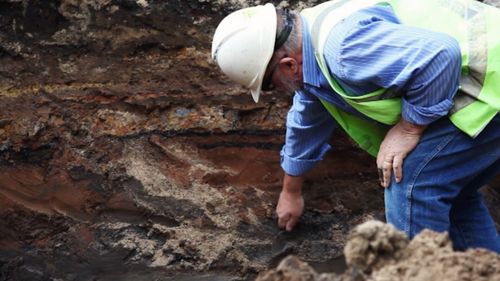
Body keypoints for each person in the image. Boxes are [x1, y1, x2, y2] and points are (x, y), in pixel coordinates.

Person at [211, 0, 500, 253]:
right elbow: (306, 117)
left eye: (271, 86)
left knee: (412, 180)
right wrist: (291, 190)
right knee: (452, 191)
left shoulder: (344, 49)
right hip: (484, 80)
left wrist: (410, 127)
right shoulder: (311, 36)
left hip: (490, 83)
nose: (278, 92)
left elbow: (441, 55)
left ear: (288, 66)